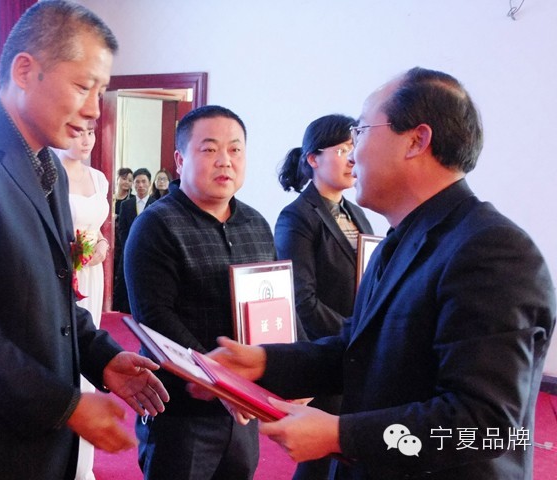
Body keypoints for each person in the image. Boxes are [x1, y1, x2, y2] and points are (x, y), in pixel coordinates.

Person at [205, 68, 556, 479]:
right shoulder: (401, 238)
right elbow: (359, 352)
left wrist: (342, 435)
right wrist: (265, 362)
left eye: (361, 132)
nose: (352, 155)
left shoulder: (491, 250)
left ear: (417, 141)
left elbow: (483, 424)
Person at [0, 2, 169, 479]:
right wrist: (67, 406)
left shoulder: (47, 165)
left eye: (100, 92)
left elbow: (52, 295)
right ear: (24, 71)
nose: (93, 110)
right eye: (82, 86)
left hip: (31, 443)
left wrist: (102, 358)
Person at [125, 105, 276, 479]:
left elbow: (274, 302)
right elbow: (156, 319)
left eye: (235, 149)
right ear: (180, 160)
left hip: (242, 407)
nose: (225, 160)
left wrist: (287, 367)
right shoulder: (156, 225)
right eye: (209, 149)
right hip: (182, 408)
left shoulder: (256, 223)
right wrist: (219, 381)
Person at [274, 114, 374, 480]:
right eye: (343, 150)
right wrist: (355, 338)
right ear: (313, 158)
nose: (353, 158)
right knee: (319, 465)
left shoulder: (358, 213)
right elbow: (302, 300)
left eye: (355, 148)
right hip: (329, 353)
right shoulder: (297, 217)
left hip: (358, 356)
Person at [57, 124, 110, 480]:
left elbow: (100, 231)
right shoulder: (49, 176)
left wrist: (101, 247)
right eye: (78, 132)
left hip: (92, 274)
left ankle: (83, 466)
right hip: (64, 275)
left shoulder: (99, 179)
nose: (86, 139)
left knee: (89, 358)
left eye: (90, 132)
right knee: (64, 361)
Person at [113, 167, 153, 313]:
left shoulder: (157, 203)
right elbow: (122, 229)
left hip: (150, 252)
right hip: (128, 250)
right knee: (123, 283)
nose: (140, 185)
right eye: (137, 182)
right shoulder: (126, 204)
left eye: (143, 181)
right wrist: (128, 246)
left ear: (149, 183)